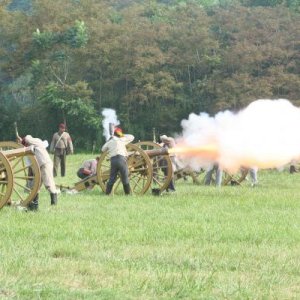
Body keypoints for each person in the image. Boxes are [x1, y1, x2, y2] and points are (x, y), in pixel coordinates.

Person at [18, 135, 58, 210]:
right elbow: (29, 164)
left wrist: (22, 140)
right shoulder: (29, 148)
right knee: (35, 187)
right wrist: (22, 143)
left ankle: (54, 204)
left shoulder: (36, 141)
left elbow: (27, 139)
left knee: (49, 183)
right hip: (38, 168)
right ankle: (34, 207)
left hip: (45, 164)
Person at [101, 127, 134, 195]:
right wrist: (122, 135)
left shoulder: (110, 141)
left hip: (113, 160)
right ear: (119, 134)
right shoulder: (122, 139)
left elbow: (103, 149)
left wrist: (109, 140)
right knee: (125, 177)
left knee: (112, 178)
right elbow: (132, 137)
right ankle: (127, 194)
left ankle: (107, 194)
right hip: (121, 159)